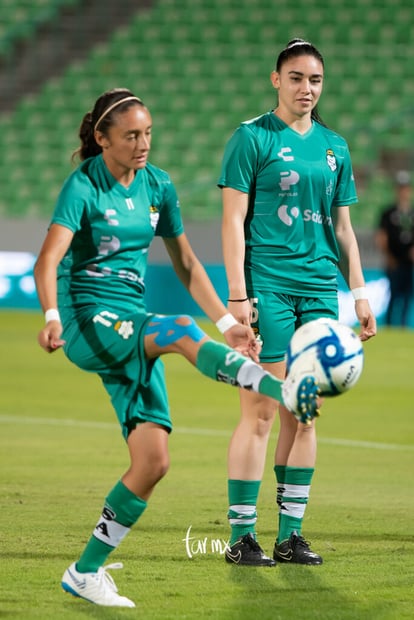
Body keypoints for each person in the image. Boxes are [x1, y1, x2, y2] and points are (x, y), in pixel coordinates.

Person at [34, 88, 320, 607]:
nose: (143, 144)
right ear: (102, 139)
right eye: (130, 136)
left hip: (130, 324)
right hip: (87, 322)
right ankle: (279, 388)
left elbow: (187, 264)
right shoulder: (82, 187)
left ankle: (85, 571)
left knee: (153, 461)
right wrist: (52, 315)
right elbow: (48, 259)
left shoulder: (158, 185)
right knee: (179, 330)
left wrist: (230, 322)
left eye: (147, 134)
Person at [218, 39, 377, 568]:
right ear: (276, 80)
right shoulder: (251, 138)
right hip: (267, 286)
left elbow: (346, 230)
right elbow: (232, 225)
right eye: (296, 78)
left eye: (315, 81)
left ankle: (290, 536)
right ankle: (242, 538)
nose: (306, 89)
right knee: (261, 411)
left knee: (305, 415)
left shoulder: (335, 146)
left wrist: (358, 294)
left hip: (317, 290)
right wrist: (238, 296)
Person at [375, 170, 414, 327]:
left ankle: (403, 326)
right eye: (400, 188)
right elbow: (382, 236)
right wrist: (389, 256)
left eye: (405, 188)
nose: (403, 191)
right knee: (394, 295)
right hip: (394, 261)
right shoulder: (388, 212)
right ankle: (390, 325)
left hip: (410, 262)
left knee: (407, 296)